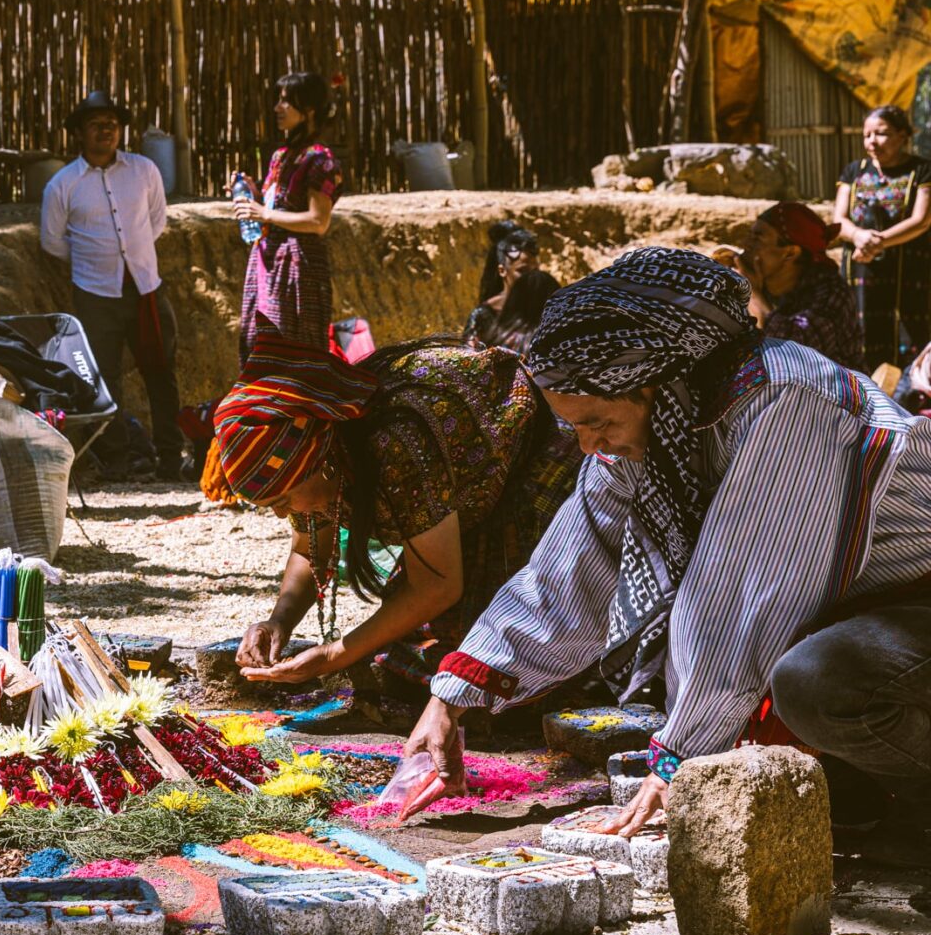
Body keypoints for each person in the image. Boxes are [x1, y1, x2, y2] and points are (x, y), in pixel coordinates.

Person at [402, 247, 931, 837]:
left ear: (656, 385)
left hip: (913, 605)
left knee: (815, 682)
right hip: (854, 609)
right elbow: (574, 570)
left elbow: (739, 601)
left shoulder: (787, 400)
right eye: (575, 427)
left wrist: (678, 761)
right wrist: (453, 694)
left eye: (598, 423)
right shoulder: (659, 423)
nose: (588, 446)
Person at [211, 333, 581, 694]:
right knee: (416, 645)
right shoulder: (325, 465)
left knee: (498, 651)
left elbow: (437, 584)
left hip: (534, 456)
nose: (281, 515)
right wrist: (278, 622)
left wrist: (332, 655)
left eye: (283, 500)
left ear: (318, 463)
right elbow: (311, 550)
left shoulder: (396, 443)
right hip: (466, 494)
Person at [41, 90, 184, 481]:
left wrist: (129, 258)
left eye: (112, 124)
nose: (105, 131)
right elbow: (52, 241)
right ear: (79, 133)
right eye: (95, 124)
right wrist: (94, 262)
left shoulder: (144, 171)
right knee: (102, 377)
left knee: (161, 371)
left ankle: (171, 457)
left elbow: (156, 222)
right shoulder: (62, 185)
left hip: (146, 288)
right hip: (95, 294)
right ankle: (116, 460)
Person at [230, 72, 342, 365]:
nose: (277, 108)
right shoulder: (282, 156)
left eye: (286, 102)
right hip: (267, 263)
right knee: (260, 345)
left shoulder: (320, 160)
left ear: (309, 110)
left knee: (292, 351)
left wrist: (264, 213)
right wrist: (252, 193)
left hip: (297, 269)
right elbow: (277, 205)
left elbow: (318, 221)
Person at [835, 104, 931, 371]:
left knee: (909, 333)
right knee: (862, 330)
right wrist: (858, 236)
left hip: (907, 270)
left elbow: (922, 220)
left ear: (903, 135)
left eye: (881, 134)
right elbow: (838, 220)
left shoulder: (922, 171)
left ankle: (911, 392)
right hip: (861, 267)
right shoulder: (854, 171)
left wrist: (876, 242)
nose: (872, 142)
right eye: (867, 135)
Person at [712, 201, 862, 370]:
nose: (746, 244)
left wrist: (752, 293)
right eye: (750, 235)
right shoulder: (762, 280)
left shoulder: (831, 293)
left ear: (790, 253)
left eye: (757, 239)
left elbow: (789, 353)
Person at [464, 220, 558, 355]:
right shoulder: (484, 315)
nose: (531, 276)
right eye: (522, 271)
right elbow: (469, 358)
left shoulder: (545, 306)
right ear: (502, 271)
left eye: (535, 270)